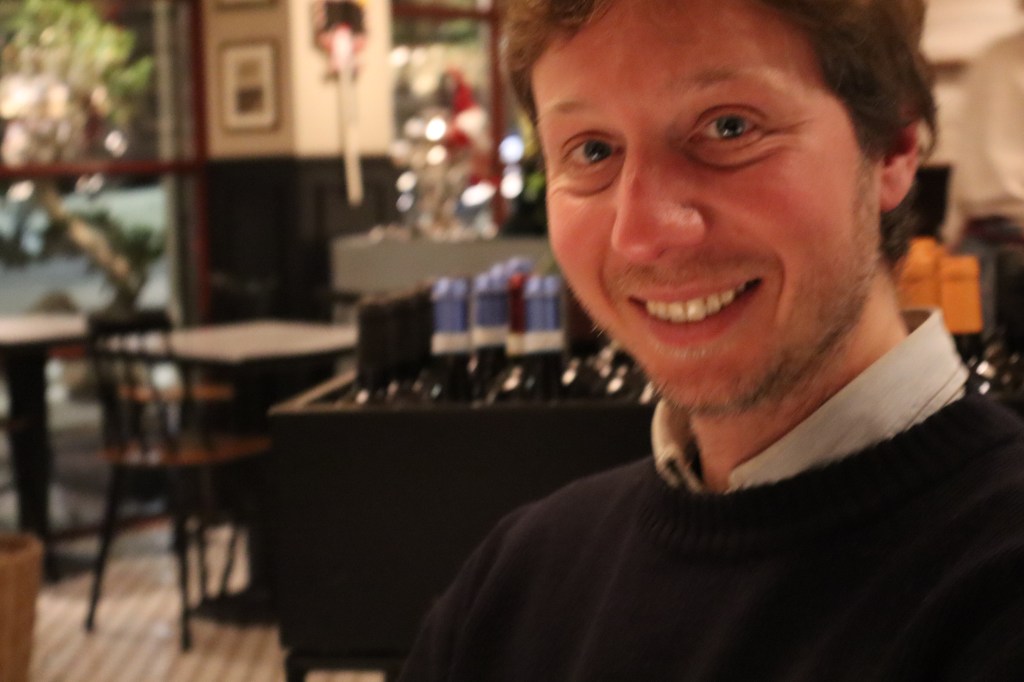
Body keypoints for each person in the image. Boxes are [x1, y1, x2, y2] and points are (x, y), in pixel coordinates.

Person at [398, 0, 1024, 679]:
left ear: (894, 149)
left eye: (729, 127)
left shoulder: (995, 580)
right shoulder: (515, 586)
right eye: (592, 151)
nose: (642, 233)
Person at [943, 8, 1024, 334]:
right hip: (991, 238)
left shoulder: (992, 57)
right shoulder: (994, 58)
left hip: (979, 239)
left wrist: (950, 234)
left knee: (977, 351)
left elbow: (965, 153)